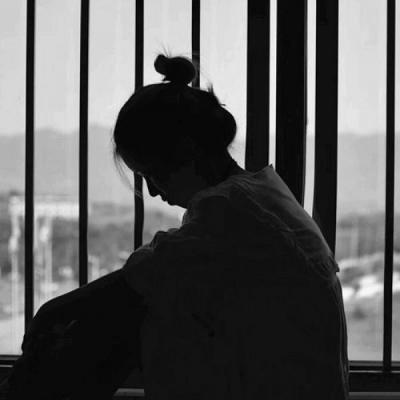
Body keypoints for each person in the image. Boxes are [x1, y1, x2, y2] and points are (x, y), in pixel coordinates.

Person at [1, 54, 349, 400]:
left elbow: (141, 279)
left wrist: (50, 313)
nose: (153, 191)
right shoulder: (262, 199)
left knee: (130, 313)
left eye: (153, 174)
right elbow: (162, 264)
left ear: (186, 151)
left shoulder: (230, 210)